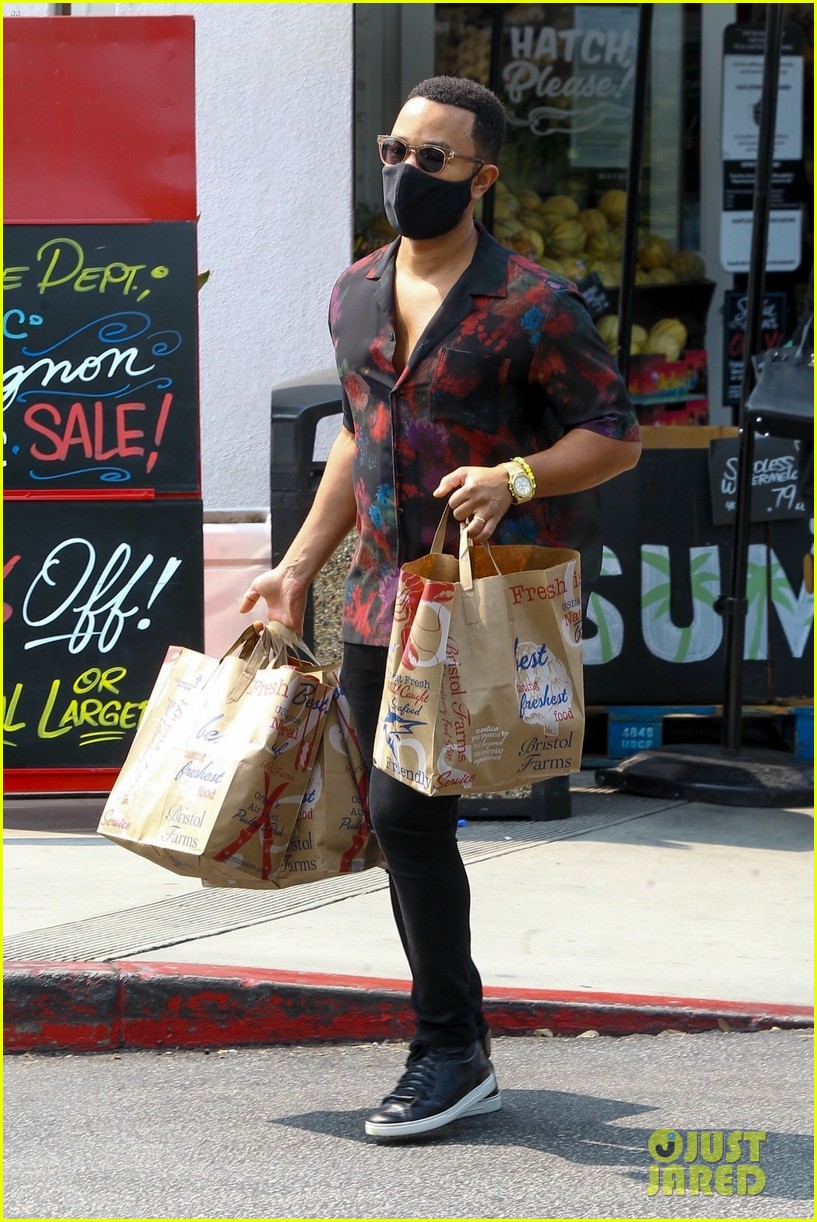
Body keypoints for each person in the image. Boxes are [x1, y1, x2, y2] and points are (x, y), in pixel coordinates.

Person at [239, 76, 641, 1140]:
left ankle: (450, 1049)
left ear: (481, 177)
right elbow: (356, 438)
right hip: (382, 593)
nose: (405, 173)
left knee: (405, 814)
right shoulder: (356, 290)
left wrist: (517, 475)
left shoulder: (533, 303)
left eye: (432, 159)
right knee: (396, 819)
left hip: (479, 598)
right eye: (395, 150)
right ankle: (454, 1044)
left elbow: (614, 434)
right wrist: (296, 567)